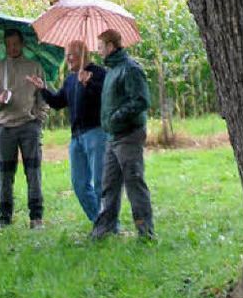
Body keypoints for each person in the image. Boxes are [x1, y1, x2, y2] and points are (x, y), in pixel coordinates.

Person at [26, 39, 107, 222]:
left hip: (96, 133)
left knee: (100, 184)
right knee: (79, 184)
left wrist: (89, 84)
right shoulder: (71, 79)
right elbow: (58, 102)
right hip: (76, 138)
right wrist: (43, 89)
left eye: (71, 55)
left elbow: (105, 97)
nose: (67, 59)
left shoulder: (99, 73)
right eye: (66, 55)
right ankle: (99, 221)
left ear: (83, 55)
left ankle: (110, 224)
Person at [90, 28, 154, 239]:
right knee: (108, 186)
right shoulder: (111, 71)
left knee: (134, 183)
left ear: (110, 46)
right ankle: (103, 230)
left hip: (129, 135)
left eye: (100, 47)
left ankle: (146, 232)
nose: (98, 52)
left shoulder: (130, 69)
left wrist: (117, 116)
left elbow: (141, 100)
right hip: (112, 137)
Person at [0, 28, 48, 229]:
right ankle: (5, 218)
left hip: (29, 126)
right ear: (5, 46)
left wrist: (39, 119)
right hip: (4, 127)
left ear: (22, 44)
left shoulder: (34, 67)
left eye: (16, 44)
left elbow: (42, 96)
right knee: (5, 174)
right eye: (9, 45)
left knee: (33, 172)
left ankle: (36, 217)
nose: (12, 48)